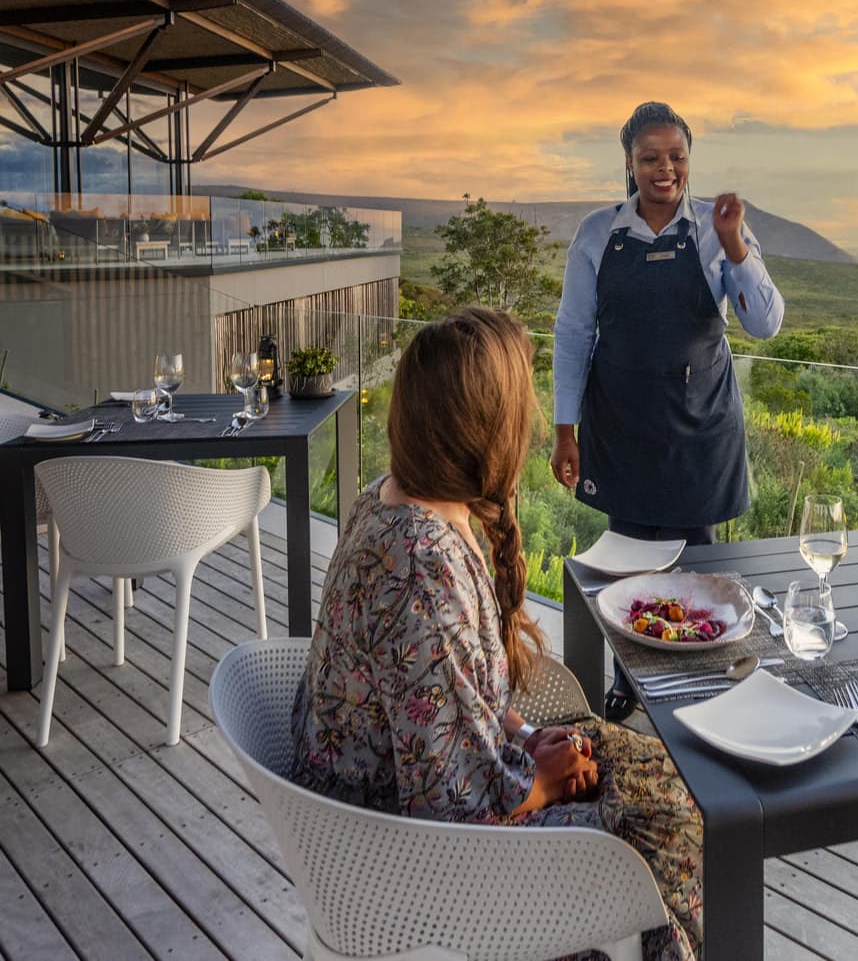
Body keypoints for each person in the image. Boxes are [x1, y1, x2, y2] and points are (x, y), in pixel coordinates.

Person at [291, 307, 702, 961]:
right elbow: (451, 810)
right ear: (483, 429)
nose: (531, 424)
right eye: (520, 410)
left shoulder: (389, 499)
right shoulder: (423, 565)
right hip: (403, 867)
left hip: (400, 813)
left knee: (661, 774)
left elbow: (437, 700)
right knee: (673, 825)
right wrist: (539, 780)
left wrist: (518, 735)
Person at [551, 101, 784, 545]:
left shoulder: (718, 230)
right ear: (629, 162)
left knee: (698, 576)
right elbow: (574, 334)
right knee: (626, 566)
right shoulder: (596, 233)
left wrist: (735, 244)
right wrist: (565, 431)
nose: (666, 168)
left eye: (677, 156)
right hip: (621, 428)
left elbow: (766, 323)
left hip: (701, 430)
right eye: (651, 157)